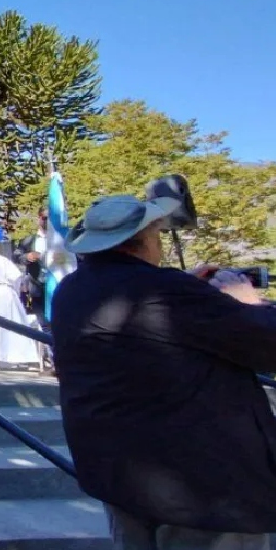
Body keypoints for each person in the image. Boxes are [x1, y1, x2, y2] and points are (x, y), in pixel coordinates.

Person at [53, 194, 276, 549]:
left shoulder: (70, 290)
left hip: (121, 474)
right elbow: (266, 343)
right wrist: (249, 301)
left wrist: (187, 287)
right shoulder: (167, 291)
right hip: (201, 485)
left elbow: (146, 321)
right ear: (145, 241)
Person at [13, 207, 49, 326]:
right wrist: (27, 257)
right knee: (44, 324)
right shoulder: (28, 240)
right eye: (45, 218)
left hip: (59, 287)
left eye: (52, 219)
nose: (48, 222)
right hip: (37, 287)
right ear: (39, 218)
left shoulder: (62, 239)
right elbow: (16, 256)